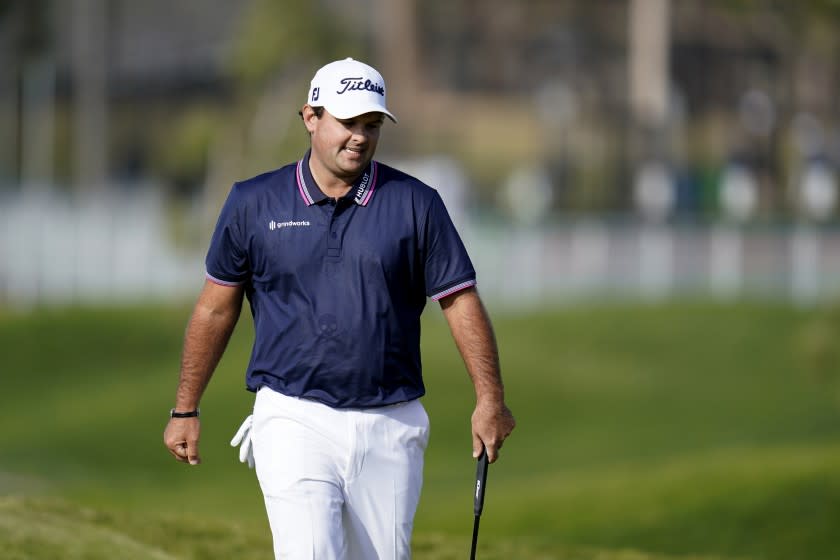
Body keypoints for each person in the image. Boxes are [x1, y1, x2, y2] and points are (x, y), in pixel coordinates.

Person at [163, 57, 515, 560]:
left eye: (371, 125)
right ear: (310, 117)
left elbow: (459, 302)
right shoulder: (253, 203)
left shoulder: (416, 204)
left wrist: (490, 399)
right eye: (348, 122)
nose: (360, 137)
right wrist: (185, 407)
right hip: (292, 414)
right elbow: (216, 310)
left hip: (391, 423)